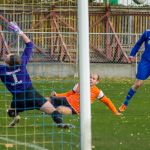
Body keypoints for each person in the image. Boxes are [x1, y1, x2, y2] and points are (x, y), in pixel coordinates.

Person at [0, 22, 70, 128]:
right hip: (32, 94)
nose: (6, 54)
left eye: (7, 55)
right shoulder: (22, 63)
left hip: (18, 100)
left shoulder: (2, 70)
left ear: (7, 62)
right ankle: (61, 124)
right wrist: (20, 32)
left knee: (10, 112)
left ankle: (16, 116)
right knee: (53, 111)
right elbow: (30, 44)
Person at [48, 73, 121, 116]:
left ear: (97, 82)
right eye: (90, 77)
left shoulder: (97, 92)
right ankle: (43, 107)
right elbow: (69, 93)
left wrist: (115, 112)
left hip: (76, 109)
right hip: (67, 100)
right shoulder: (80, 84)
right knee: (48, 100)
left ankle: (48, 111)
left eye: (93, 78)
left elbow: (107, 101)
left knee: (59, 109)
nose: (91, 79)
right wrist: (57, 94)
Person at [119, 29, 150, 112]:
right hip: (146, 62)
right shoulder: (147, 33)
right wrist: (132, 54)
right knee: (138, 84)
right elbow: (138, 44)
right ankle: (125, 103)